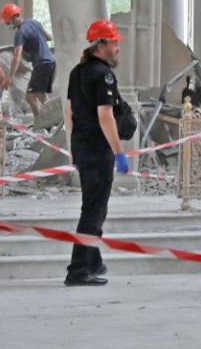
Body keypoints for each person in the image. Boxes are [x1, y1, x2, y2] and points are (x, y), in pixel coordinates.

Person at [64, 19, 135, 287]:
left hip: (83, 148)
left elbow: (69, 112)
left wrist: (74, 147)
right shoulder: (103, 74)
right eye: (114, 42)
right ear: (100, 44)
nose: (117, 47)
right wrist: (119, 153)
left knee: (92, 207)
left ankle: (93, 261)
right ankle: (78, 270)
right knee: (94, 211)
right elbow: (105, 115)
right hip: (98, 150)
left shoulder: (77, 72)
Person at [0, 2, 57, 117]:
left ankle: (43, 127)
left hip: (41, 64)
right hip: (51, 62)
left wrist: (9, 78)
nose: (7, 24)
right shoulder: (34, 23)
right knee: (41, 96)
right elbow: (50, 37)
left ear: (11, 18)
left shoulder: (20, 33)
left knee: (30, 97)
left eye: (6, 22)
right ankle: (53, 124)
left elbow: (16, 58)